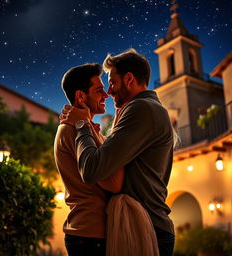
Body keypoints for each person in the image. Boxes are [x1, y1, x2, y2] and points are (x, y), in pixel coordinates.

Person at [60, 48, 175, 256]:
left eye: (112, 83)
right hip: (143, 226)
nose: (109, 92)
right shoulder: (147, 108)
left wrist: (82, 124)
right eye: (103, 87)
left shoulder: (141, 109)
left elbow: (93, 169)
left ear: (129, 79)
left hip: (147, 228)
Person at [54, 63, 124, 256]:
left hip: (92, 233)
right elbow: (113, 182)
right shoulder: (73, 129)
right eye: (99, 90)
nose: (106, 95)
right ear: (81, 96)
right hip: (89, 236)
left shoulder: (85, 127)